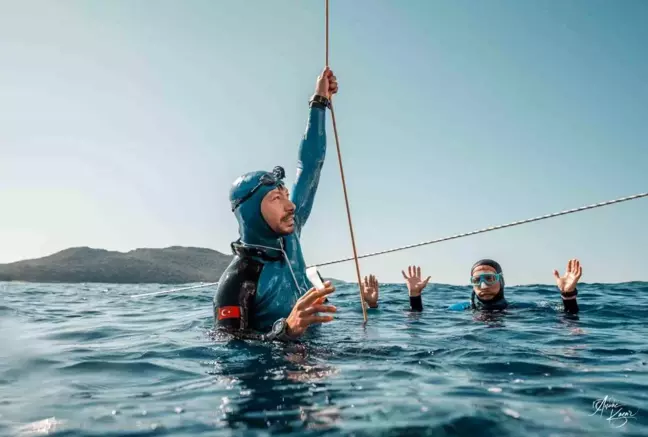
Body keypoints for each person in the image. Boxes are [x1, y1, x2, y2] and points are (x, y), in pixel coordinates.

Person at [213, 67, 339, 342]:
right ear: (251, 213)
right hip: (271, 374)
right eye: (276, 199)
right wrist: (286, 330)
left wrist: (319, 102)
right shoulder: (239, 280)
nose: (291, 206)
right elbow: (227, 349)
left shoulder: (290, 234)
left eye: (286, 195)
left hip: (315, 360)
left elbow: (310, 167)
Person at [362, 259, 583, 314]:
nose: (483, 285)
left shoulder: (519, 310)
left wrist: (568, 294)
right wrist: (414, 295)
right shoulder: (461, 310)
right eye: (476, 281)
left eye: (489, 278)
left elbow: (568, 319)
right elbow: (418, 319)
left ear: (501, 281)